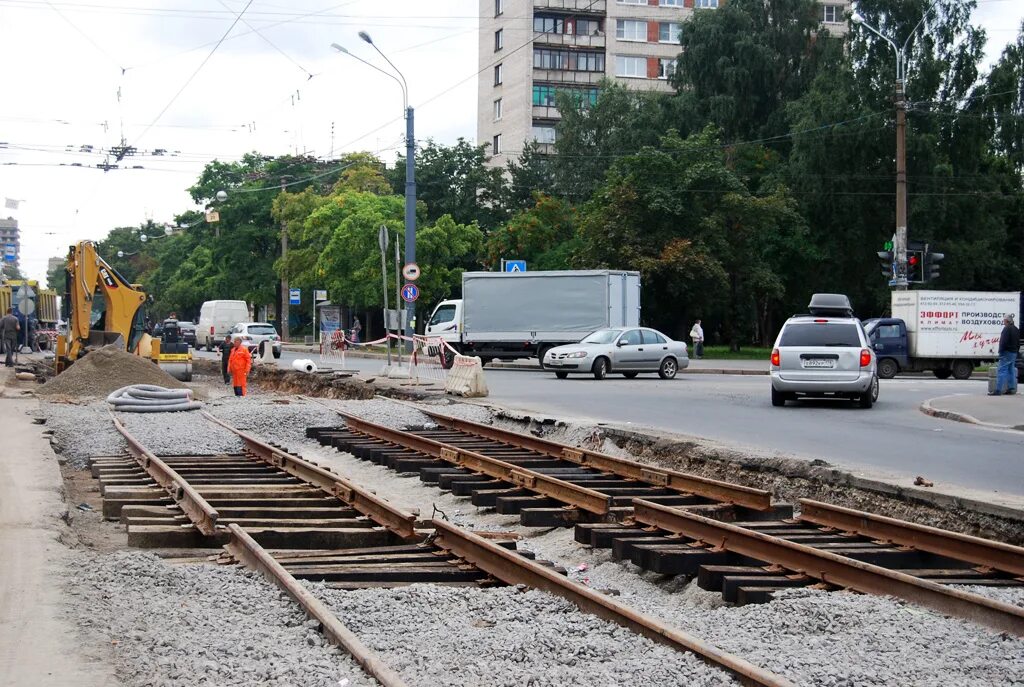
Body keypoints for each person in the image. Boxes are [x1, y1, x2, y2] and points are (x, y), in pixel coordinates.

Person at [992, 313, 1020, 396]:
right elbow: (1018, 342)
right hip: (1013, 352)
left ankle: (998, 390)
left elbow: (1003, 341)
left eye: (1004, 320)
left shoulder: (1006, 329)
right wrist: (1016, 351)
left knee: (1001, 370)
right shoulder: (1016, 329)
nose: (1003, 322)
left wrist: (1000, 351)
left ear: (1007, 321)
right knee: (1011, 370)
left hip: (1006, 352)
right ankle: (1011, 388)